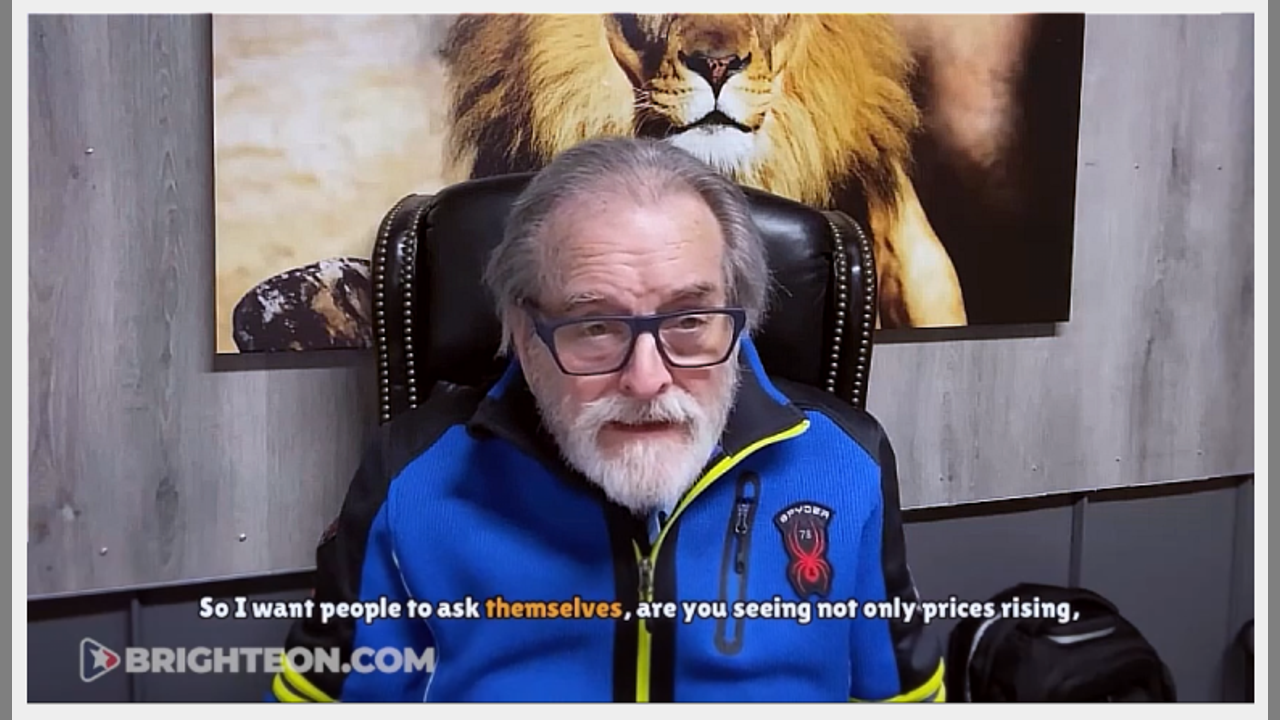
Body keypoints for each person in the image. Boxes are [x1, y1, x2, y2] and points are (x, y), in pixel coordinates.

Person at [265, 137, 945, 703]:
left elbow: (901, 700)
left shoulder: (847, 463)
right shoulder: (412, 477)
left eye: (689, 320)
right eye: (594, 326)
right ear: (524, 333)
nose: (647, 380)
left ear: (740, 319)